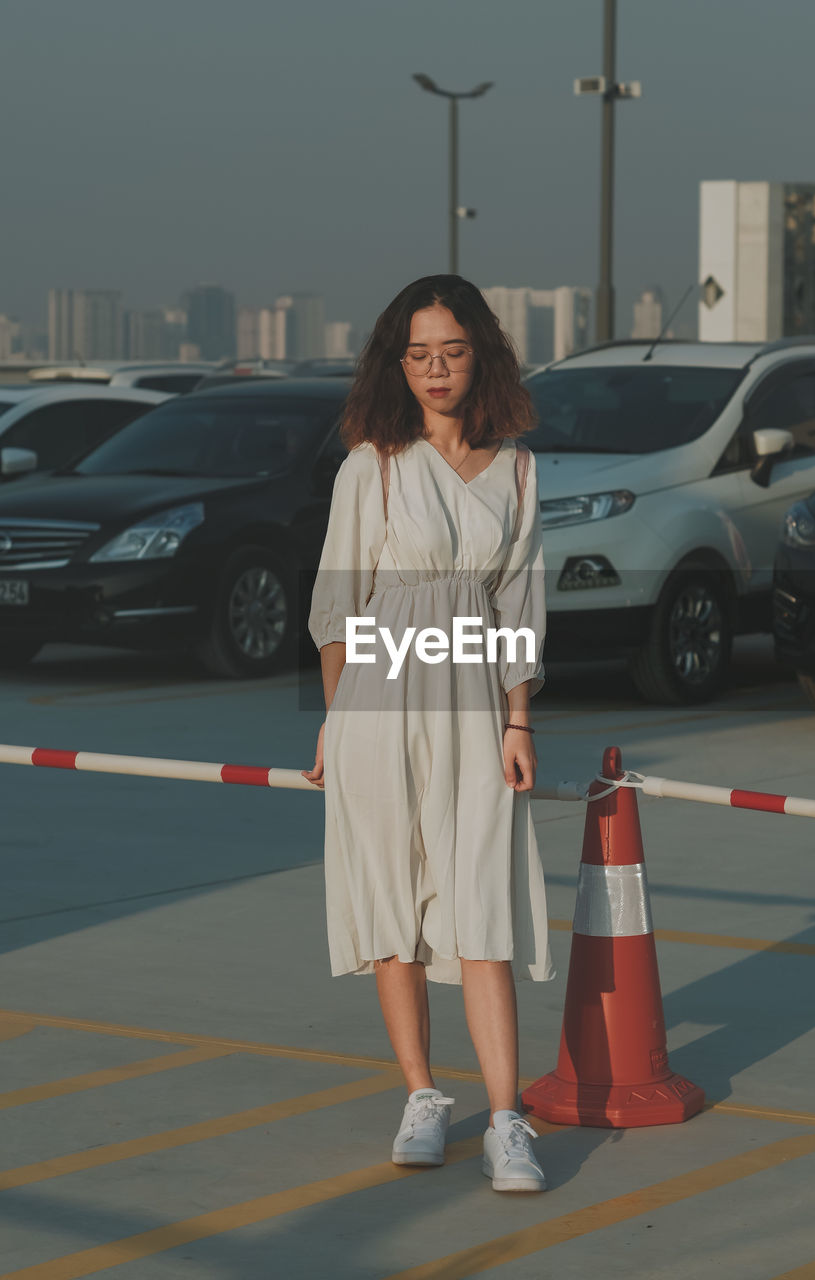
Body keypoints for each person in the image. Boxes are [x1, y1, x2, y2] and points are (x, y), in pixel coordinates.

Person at [302, 274, 554, 1193]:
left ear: (479, 354)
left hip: (476, 706)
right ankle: (419, 1096)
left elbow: (520, 602)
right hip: (378, 695)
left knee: (480, 900)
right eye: (417, 354)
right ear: (394, 363)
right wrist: (337, 720)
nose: (435, 369)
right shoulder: (369, 464)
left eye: (451, 351)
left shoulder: (520, 468)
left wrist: (518, 716)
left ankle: (505, 1119)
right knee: (390, 902)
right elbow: (337, 607)